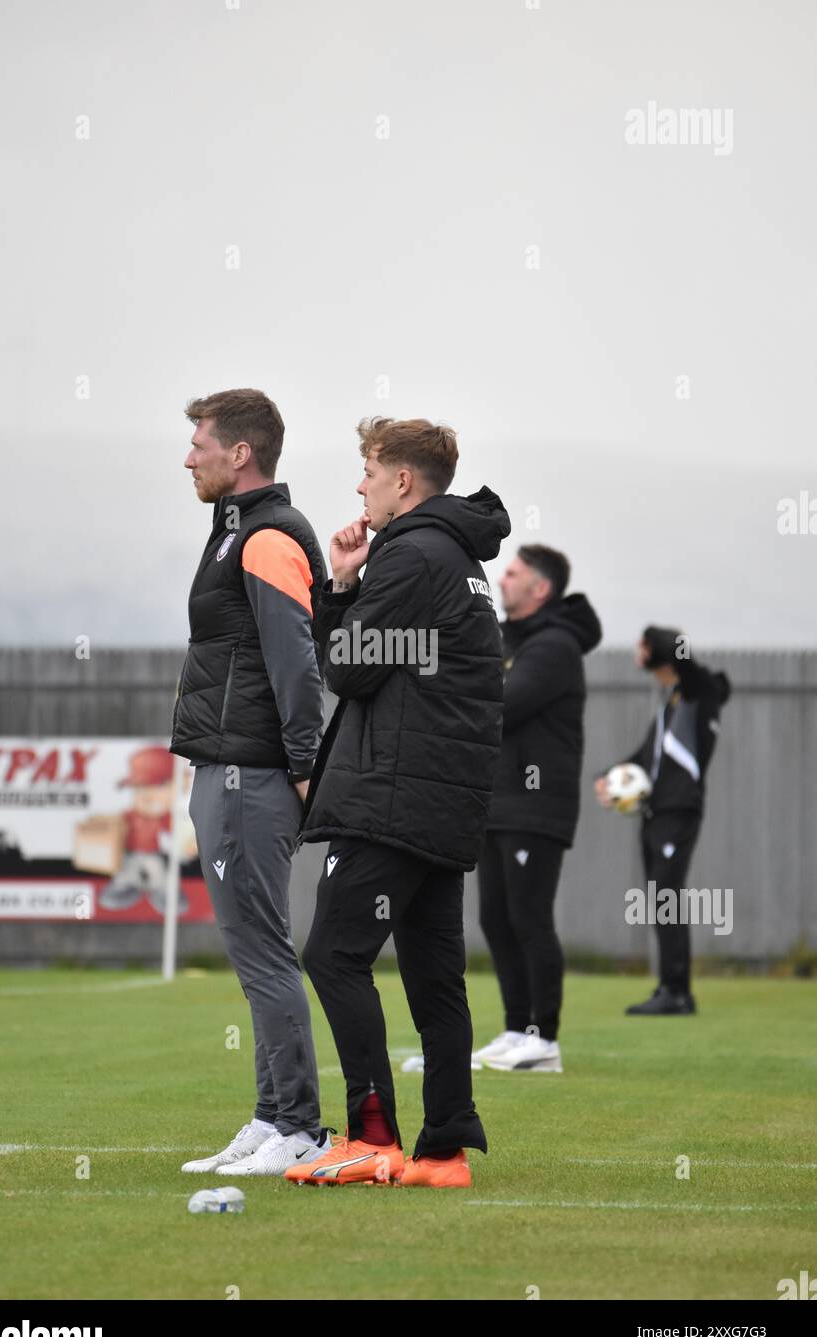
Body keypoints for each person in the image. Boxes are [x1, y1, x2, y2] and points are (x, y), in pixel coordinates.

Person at [285, 416, 511, 1189]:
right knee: (433, 978)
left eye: (369, 472)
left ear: (403, 481)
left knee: (333, 956)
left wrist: (340, 585)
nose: (361, 486)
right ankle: (444, 1153)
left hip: (393, 799)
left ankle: (372, 1136)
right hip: (440, 803)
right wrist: (353, 586)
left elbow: (346, 671)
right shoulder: (458, 557)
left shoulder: (412, 553)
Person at [171, 388, 333, 1177]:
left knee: (265, 953)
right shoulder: (236, 532)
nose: (188, 455)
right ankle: (271, 1118)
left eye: (199, 442)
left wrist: (304, 766)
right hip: (227, 766)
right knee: (253, 954)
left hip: (253, 772)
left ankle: (299, 1128)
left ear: (241, 453)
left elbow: (297, 664)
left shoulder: (267, 536)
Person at [473, 545, 602, 1073]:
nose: (502, 579)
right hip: (497, 803)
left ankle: (543, 1039)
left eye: (514, 572)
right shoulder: (511, 640)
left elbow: (501, 704)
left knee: (529, 917)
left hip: (536, 805)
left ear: (540, 589)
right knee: (496, 919)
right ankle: (515, 1028)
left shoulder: (554, 647)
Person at [594, 626, 731, 1015]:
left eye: (643, 645)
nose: (637, 651)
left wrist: (656, 641)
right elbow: (644, 757)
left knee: (667, 897)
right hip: (656, 813)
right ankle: (671, 988)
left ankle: (678, 992)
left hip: (678, 811)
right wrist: (606, 776)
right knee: (659, 899)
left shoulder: (700, 690)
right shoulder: (671, 700)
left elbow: (684, 656)